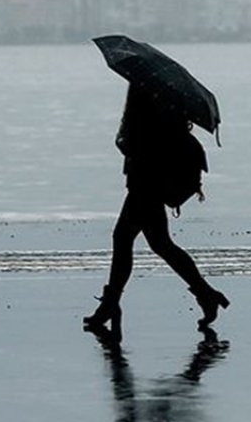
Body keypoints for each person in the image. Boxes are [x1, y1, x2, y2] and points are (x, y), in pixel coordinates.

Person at [84, 86, 229, 333]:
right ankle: (206, 294)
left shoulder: (148, 99)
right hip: (148, 182)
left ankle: (111, 304)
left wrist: (128, 141)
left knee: (125, 238)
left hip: (146, 183)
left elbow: (143, 145)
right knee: (160, 244)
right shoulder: (165, 100)